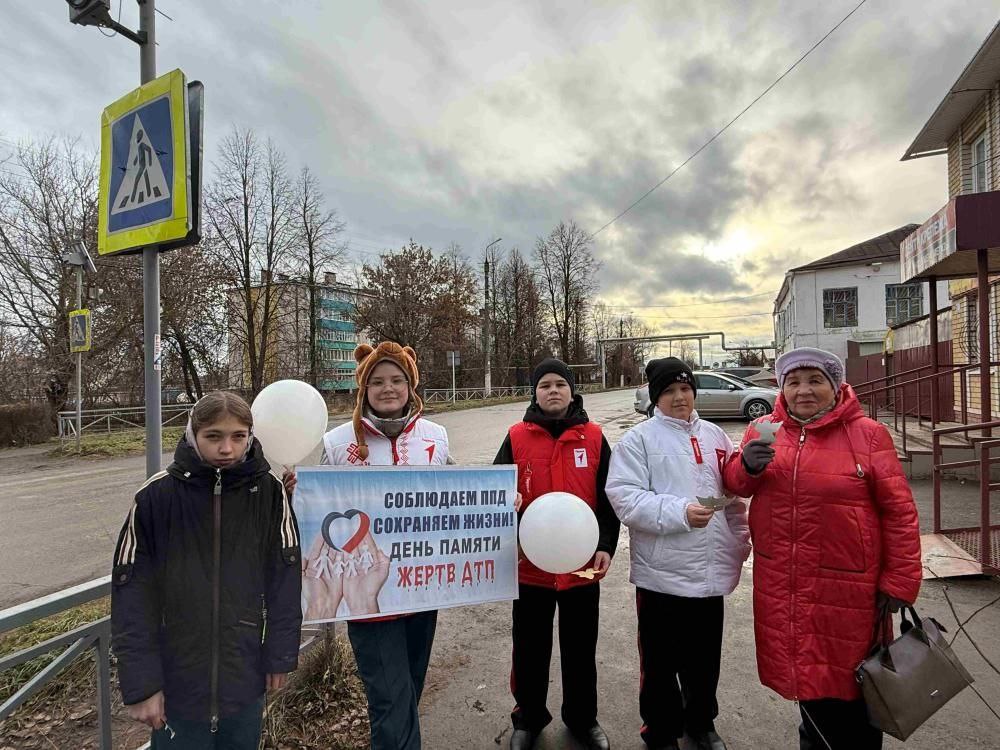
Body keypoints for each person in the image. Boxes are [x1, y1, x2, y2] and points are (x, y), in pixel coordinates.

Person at [723, 347, 922, 750]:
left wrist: (900, 580)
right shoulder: (764, 428)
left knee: (856, 685)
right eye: (793, 382)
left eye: (815, 380)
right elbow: (737, 486)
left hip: (849, 587)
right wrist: (747, 465)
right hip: (785, 581)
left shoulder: (867, 434)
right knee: (806, 678)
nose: (803, 391)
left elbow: (899, 512)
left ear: (835, 386)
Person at [111, 391, 302, 749]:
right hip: (177, 684)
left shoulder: (270, 492)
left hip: (245, 678)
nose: (227, 448)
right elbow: (131, 595)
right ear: (192, 434)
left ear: (250, 436)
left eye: (238, 436)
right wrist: (142, 684)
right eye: (214, 436)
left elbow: (285, 581)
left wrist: (280, 653)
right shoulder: (156, 497)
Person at [294, 341, 449, 750]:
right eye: (377, 381)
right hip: (367, 600)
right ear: (364, 389)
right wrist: (296, 492)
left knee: (409, 691)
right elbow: (318, 512)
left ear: (411, 386)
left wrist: (501, 503)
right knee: (388, 699)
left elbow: (456, 496)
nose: (388, 388)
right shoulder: (337, 442)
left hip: (421, 589)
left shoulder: (436, 436)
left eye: (397, 379)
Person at [606, 357, 750, 750]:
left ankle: (701, 723)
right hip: (661, 575)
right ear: (656, 398)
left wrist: (739, 543)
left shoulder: (716, 437)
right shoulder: (638, 441)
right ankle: (660, 729)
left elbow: (732, 500)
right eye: (669, 391)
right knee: (659, 664)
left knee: (704, 660)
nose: (679, 397)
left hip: (709, 574)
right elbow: (625, 499)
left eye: (685, 389)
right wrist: (680, 512)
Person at [494, 358, 620, 750]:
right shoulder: (516, 436)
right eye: (545, 384)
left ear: (571, 390)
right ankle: (527, 719)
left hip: (581, 569)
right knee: (529, 647)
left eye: (560, 384)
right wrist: (506, 515)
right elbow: (493, 493)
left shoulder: (595, 437)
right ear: (534, 392)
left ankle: (583, 719)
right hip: (529, 567)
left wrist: (605, 546)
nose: (553, 391)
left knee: (581, 648)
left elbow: (609, 499)